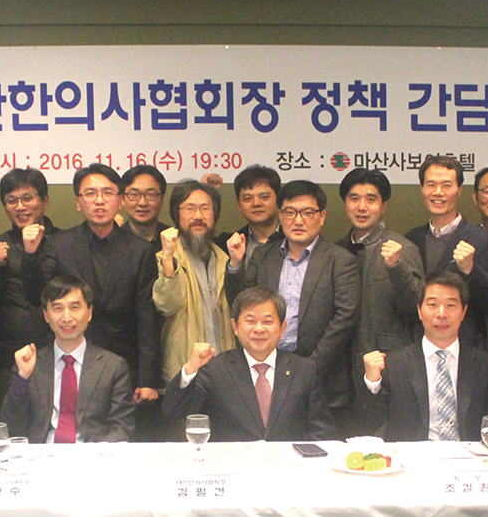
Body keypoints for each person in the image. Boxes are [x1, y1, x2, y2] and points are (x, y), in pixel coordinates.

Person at [224, 180, 360, 423]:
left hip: (322, 376)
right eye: (289, 212)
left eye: (308, 212)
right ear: (280, 215)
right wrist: (235, 264)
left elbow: (345, 318)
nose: (298, 220)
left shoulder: (341, 260)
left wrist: (309, 369)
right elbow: (241, 304)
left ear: (322, 217)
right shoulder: (263, 255)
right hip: (266, 370)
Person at [39, 164, 161, 407]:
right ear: (78, 202)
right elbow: (42, 299)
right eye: (90, 194)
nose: (99, 201)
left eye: (108, 193)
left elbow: (147, 317)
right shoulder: (59, 245)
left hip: (124, 363)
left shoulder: (141, 250)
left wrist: (148, 378)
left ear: (120, 200)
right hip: (71, 360)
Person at [163, 286, 334, 441]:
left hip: (288, 463)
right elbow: (174, 412)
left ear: (282, 329)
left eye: (268, 321)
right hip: (231, 462)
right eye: (250, 321)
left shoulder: (304, 370)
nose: (259, 329)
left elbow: (321, 431)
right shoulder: (215, 369)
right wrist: (191, 369)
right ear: (235, 327)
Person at [361, 272, 488, 442]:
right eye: (432, 305)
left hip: (468, 455)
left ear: (463, 312)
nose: (441, 314)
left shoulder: (486, 366)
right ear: (419, 311)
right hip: (413, 456)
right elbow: (369, 425)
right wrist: (372, 382)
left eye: (451, 305)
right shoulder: (393, 365)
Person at [335, 168, 425, 435]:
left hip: (386, 364)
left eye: (371, 199)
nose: (362, 207)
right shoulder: (335, 250)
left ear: (384, 205)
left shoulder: (402, 248)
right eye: (354, 198)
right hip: (342, 368)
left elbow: (415, 307)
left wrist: (396, 267)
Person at [1, 275, 135, 443]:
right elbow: (11, 426)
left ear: (89, 313)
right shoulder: (30, 363)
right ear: (46, 315)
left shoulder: (112, 366)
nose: (66, 317)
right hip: (42, 453)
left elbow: (122, 428)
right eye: (57, 308)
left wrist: (94, 454)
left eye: (75, 307)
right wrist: (23, 378)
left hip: (92, 453)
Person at [0, 168, 59, 408]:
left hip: (59, 357)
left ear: (45, 201)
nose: (20, 207)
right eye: (11, 200)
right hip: (9, 361)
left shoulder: (65, 243)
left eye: (28, 198)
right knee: (12, 424)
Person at [404, 155, 488, 350]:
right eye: (431, 185)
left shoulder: (482, 240)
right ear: (422, 189)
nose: (438, 192)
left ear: (459, 191)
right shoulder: (412, 239)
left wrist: (471, 270)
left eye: (446, 185)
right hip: (419, 348)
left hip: (465, 348)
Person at [153, 180, 235, 383]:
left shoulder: (226, 259)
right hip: (184, 370)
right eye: (190, 208)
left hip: (225, 370)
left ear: (215, 215)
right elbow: (167, 306)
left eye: (205, 208)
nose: (198, 216)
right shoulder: (163, 258)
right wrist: (168, 259)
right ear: (177, 214)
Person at [214, 164, 285, 261]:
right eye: (248, 198)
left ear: (279, 200)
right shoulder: (226, 244)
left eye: (264, 197)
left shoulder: (294, 239)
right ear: (239, 204)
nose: (256, 203)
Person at [121, 164, 170, 243]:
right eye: (134, 194)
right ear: (122, 199)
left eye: (151, 195)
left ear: (162, 199)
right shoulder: (113, 241)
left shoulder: (175, 240)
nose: (142, 203)